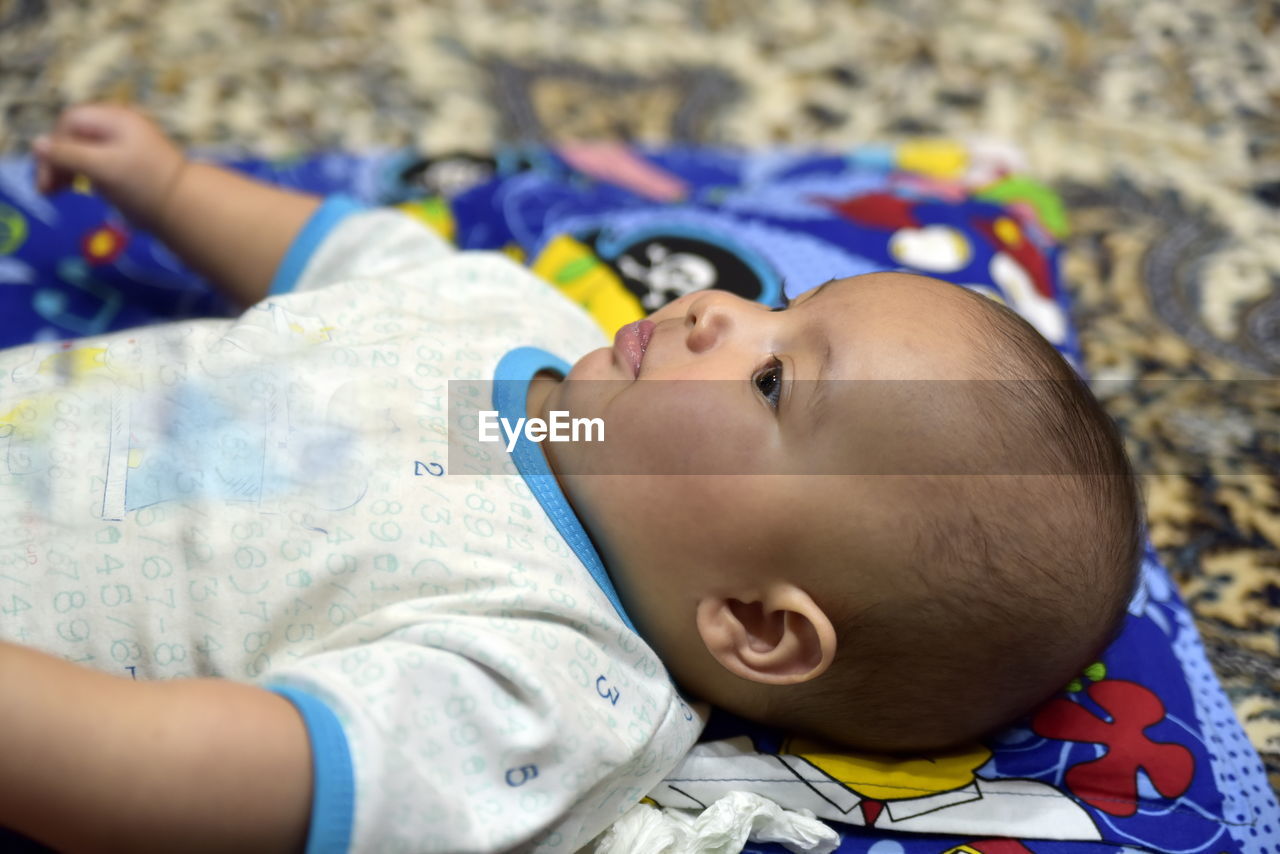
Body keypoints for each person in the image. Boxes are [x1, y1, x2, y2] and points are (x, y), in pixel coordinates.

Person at [1, 103, 1142, 853]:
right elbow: (352, 259)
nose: (718, 310)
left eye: (772, 383)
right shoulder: (524, 326)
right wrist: (173, 182)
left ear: (751, 617)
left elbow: (183, 776)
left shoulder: (546, 674)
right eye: (780, 310)